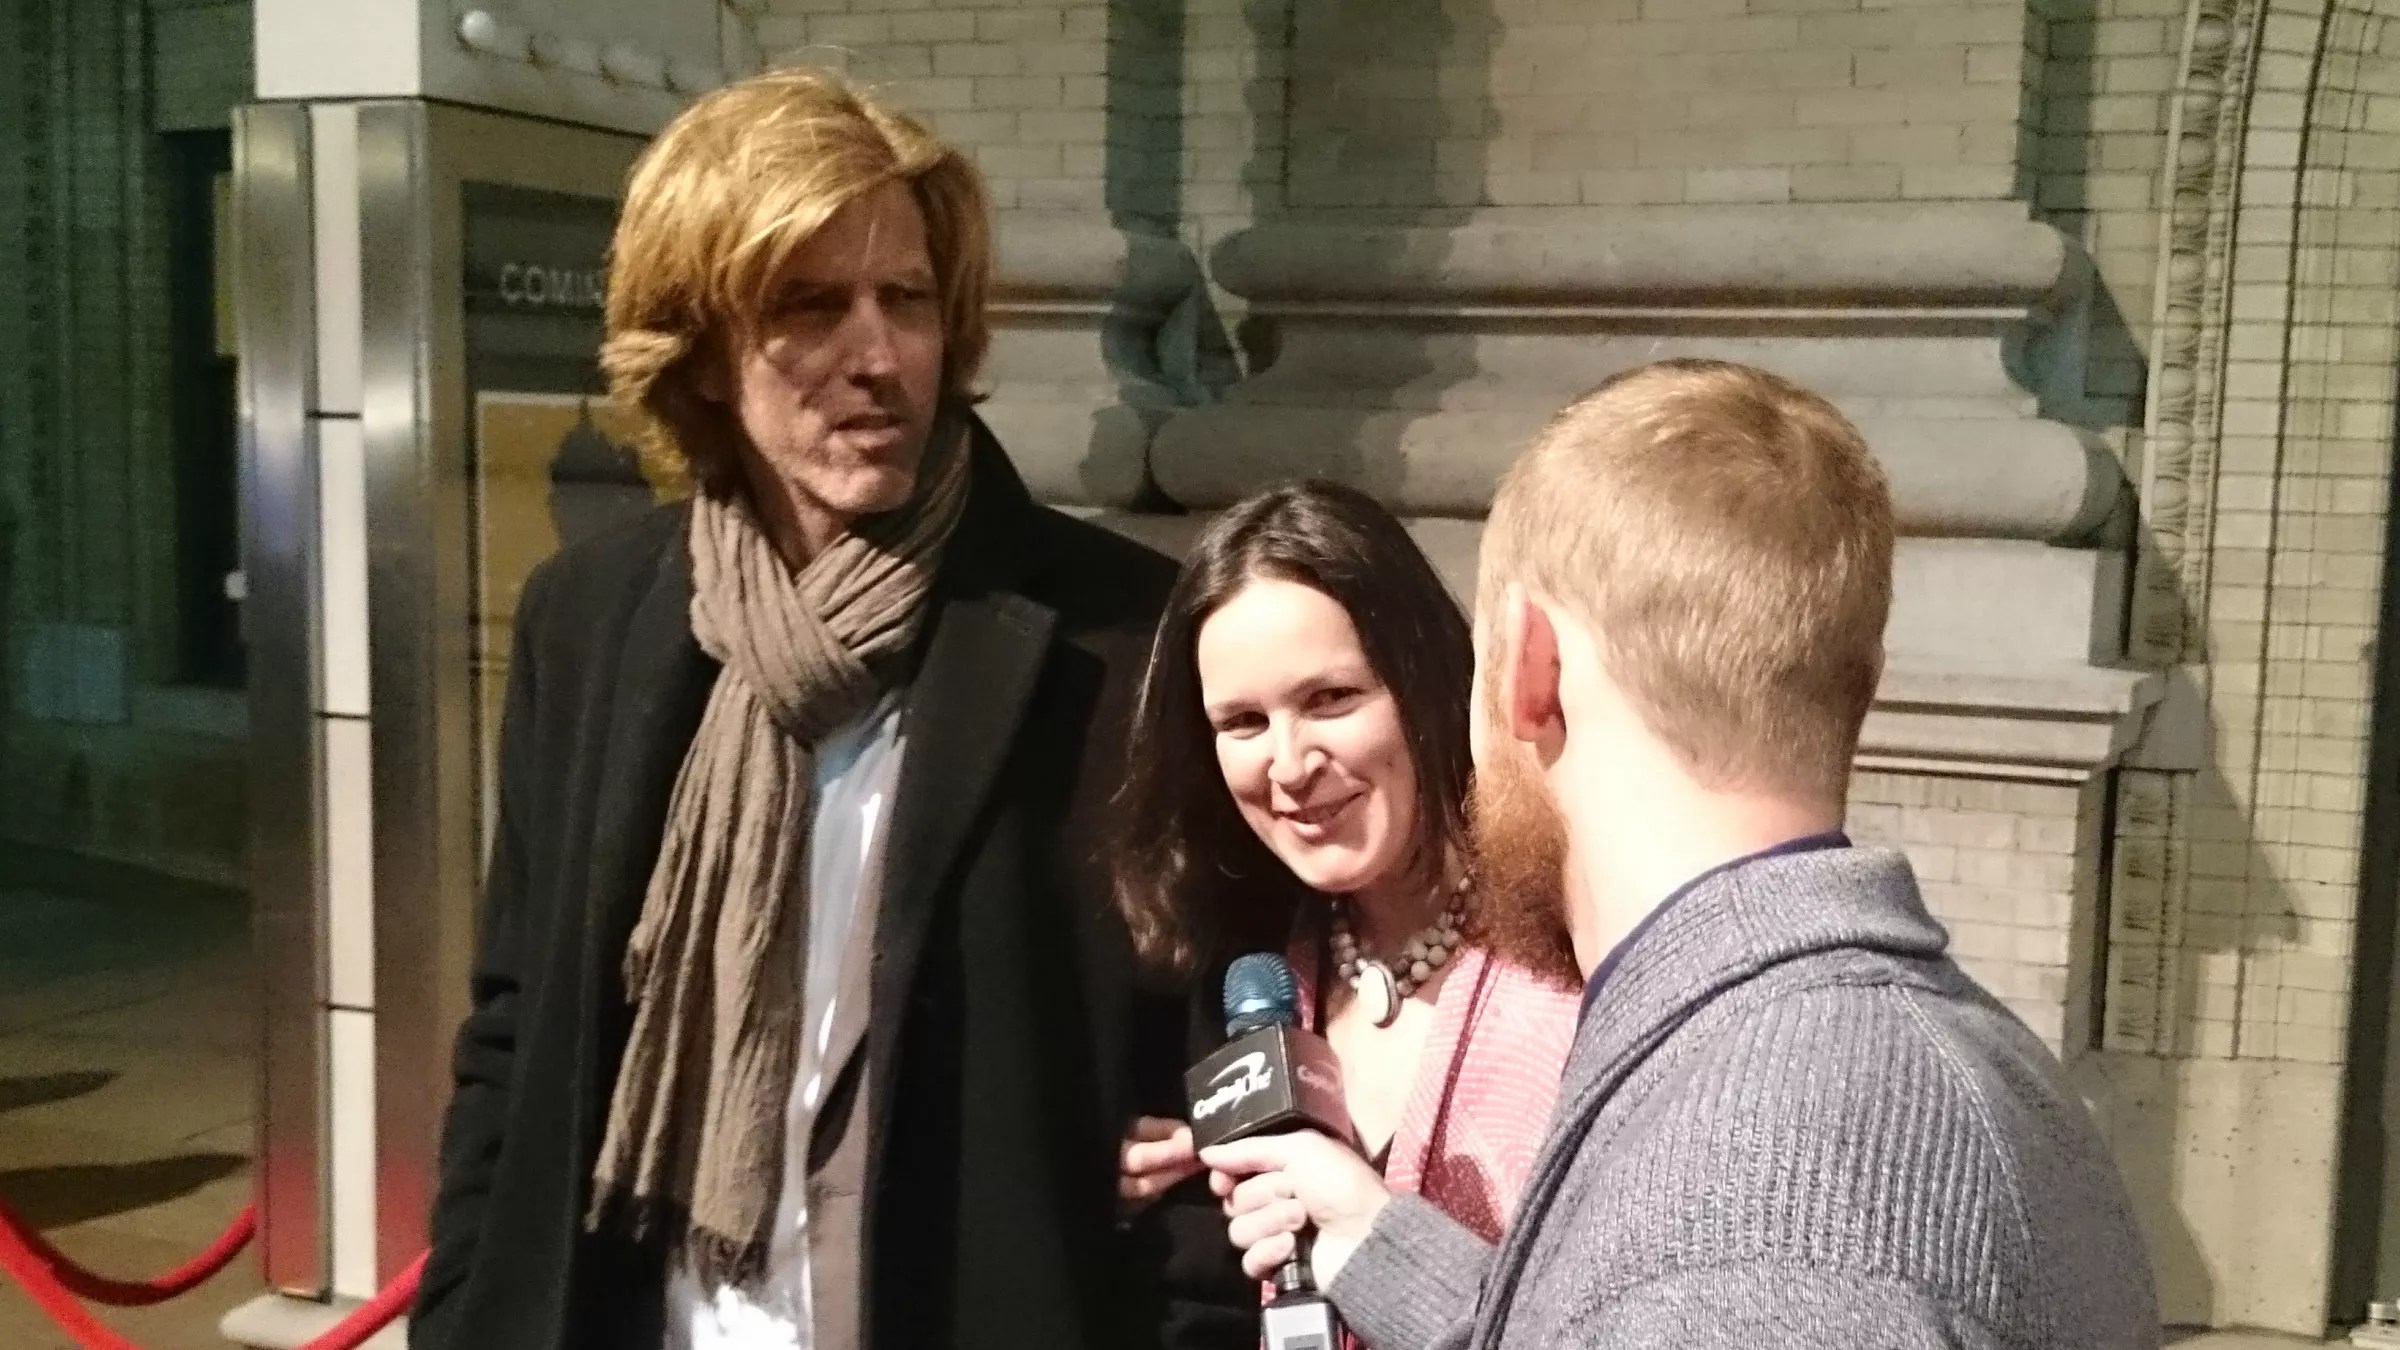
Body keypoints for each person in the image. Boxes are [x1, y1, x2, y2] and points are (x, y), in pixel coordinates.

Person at [410, 69, 1248, 1350]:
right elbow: (518, 1030)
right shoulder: (589, 619)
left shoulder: (1120, 636)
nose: (878, 356)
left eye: (906, 299)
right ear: (702, 348)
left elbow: (1204, 1068)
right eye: (811, 305)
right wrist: (464, 1308)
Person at [1204, 360, 2162, 1349]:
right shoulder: (1967, 1059)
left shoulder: (1763, 1216)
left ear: (1532, 668)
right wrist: (1381, 1249)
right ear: (1858, 680)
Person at [1109, 482, 1582, 1345]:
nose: (1290, 765)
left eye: (1330, 699)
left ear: (1425, 678)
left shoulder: (1576, 956)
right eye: (1243, 721)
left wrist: (1384, 1240)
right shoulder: (1234, 975)